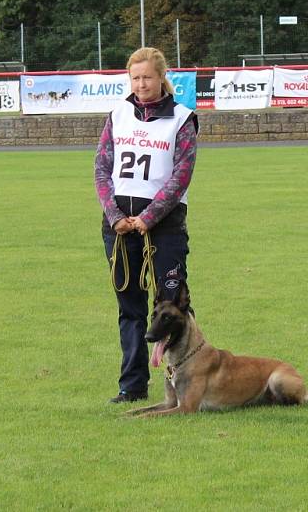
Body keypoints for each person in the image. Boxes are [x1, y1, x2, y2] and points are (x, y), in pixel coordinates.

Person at [94, 47, 199, 403]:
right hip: (121, 226)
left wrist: (148, 218)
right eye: (135, 78)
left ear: (161, 77)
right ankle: (133, 386)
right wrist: (115, 217)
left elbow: (181, 176)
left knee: (173, 305)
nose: (141, 84)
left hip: (164, 224)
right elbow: (102, 169)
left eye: (148, 77)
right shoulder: (118, 114)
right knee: (131, 308)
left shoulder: (182, 118)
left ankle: (188, 383)